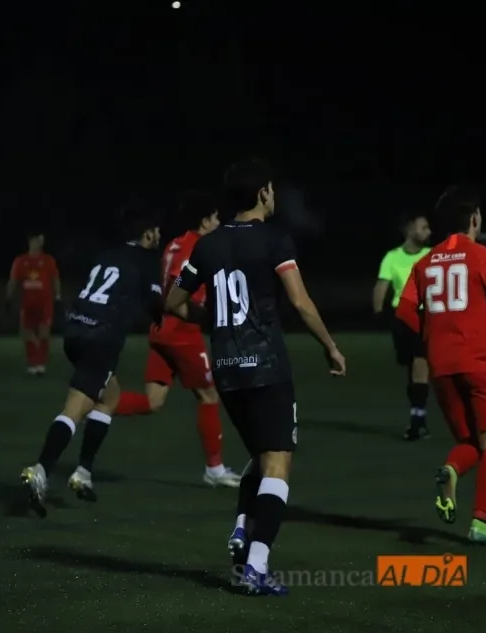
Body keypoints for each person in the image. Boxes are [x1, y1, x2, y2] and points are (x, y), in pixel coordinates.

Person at [165, 158, 345, 596]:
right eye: (272, 189)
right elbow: (300, 302)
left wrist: (213, 318)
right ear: (263, 193)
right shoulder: (274, 239)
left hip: (227, 369)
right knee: (278, 463)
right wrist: (330, 345)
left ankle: (243, 529)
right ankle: (256, 567)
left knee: (261, 456)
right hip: (266, 366)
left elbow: (173, 303)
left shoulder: (206, 245)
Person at [395, 186, 486, 545]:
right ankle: (481, 522)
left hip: (441, 365)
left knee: (469, 440)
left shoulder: (424, 263)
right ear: (474, 218)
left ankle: (452, 469)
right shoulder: (485, 257)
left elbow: (404, 311)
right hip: (479, 361)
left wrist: (429, 335)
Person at [20, 207, 164, 517]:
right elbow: (157, 305)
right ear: (147, 233)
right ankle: (40, 471)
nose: (159, 235)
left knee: (109, 397)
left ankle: (83, 472)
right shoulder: (147, 261)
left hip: (75, 331)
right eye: (156, 230)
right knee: (75, 409)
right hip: (101, 339)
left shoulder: (108, 254)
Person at [114, 191, 240, 488]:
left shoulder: (174, 243)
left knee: (153, 401)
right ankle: (214, 470)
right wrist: (206, 315)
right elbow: (176, 291)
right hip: (181, 331)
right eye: (215, 217)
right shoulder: (196, 247)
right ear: (205, 220)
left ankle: (93, 406)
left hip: (161, 328)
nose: (218, 222)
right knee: (209, 395)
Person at [372, 213, 432, 440]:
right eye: (423, 227)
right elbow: (381, 285)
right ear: (410, 231)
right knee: (413, 369)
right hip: (402, 317)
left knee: (420, 364)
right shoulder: (393, 257)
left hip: (425, 315)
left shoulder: (432, 255)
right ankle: (417, 416)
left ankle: (417, 420)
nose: (428, 232)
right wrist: (378, 312)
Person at [7, 230, 61, 376]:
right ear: (31, 241)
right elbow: (13, 280)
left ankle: (41, 364)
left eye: (41, 240)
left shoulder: (48, 260)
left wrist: (58, 296)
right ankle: (32, 362)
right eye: (38, 240)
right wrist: (9, 297)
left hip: (44, 303)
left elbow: (55, 279)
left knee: (44, 332)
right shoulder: (21, 261)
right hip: (27, 303)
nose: (40, 243)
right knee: (27, 332)